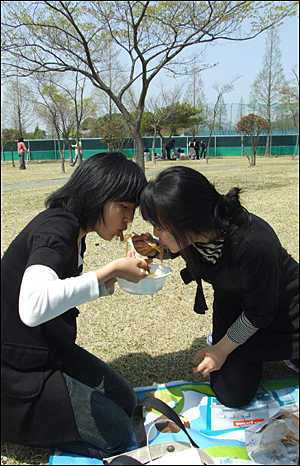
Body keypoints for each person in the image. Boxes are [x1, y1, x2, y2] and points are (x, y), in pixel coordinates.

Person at [1, 152, 151, 459]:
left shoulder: (77, 232)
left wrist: (112, 282)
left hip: (51, 350)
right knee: (120, 435)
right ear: (97, 195)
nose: (128, 219)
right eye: (123, 207)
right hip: (16, 368)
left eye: (132, 210)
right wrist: (110, 270)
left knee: (127, 402)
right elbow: (33, 306)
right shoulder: (57, 228)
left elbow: (62, 294)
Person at [133, 166, 299, 408]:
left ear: (188, 220)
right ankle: (243, 345)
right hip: (235, 311)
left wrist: (221, 349)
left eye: (159, 226)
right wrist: (155, 250)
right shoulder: (196, 232)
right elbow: (182, 247)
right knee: (232, 394)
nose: (156, 234)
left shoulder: (253, 243)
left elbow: (259, 312)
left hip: (287, 311)